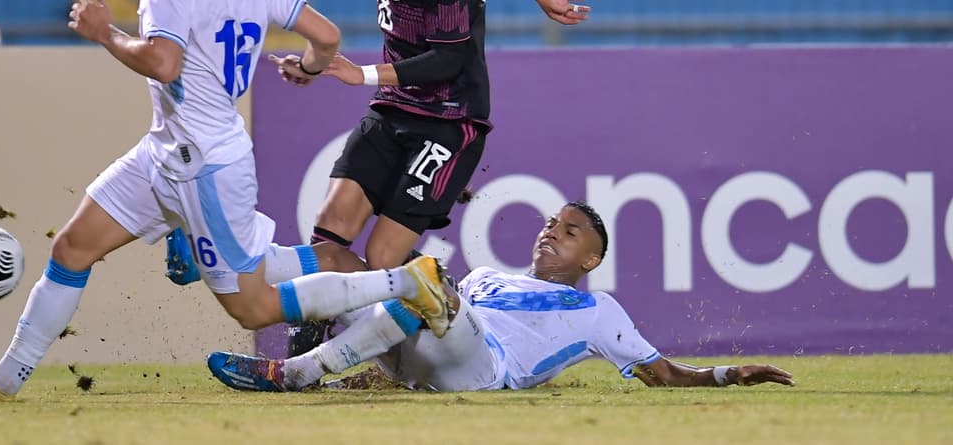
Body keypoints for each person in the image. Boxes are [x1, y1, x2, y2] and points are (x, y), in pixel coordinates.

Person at [0, 0, 458, 402]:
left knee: (254, 305)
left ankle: (408, 282)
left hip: (206, 165)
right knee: (72, 248)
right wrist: (310, 66)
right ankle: (6, 379)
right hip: (164, 152)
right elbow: (327, 35)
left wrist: (105, 33)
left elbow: (163, 62)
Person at [278, 0, 589, 354]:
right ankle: (301, 360)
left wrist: (364, 75)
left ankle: (446, 311)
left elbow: (450, 59)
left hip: (449, 120)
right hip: (396, 106)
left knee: (382, 260)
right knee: (330, 228)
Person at [208, 201, 796, 393]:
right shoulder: (487, 275)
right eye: (551, 223)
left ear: (591, 260)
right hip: (423, 353)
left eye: (570, 232)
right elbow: (409, 329)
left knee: (425, 285)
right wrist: (368, 381)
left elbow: (662, 374)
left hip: (485, 368)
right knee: (343, 258)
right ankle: (237, 261)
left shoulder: (599, 311)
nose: (552, 232)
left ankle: (294, 372)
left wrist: (728, 375)